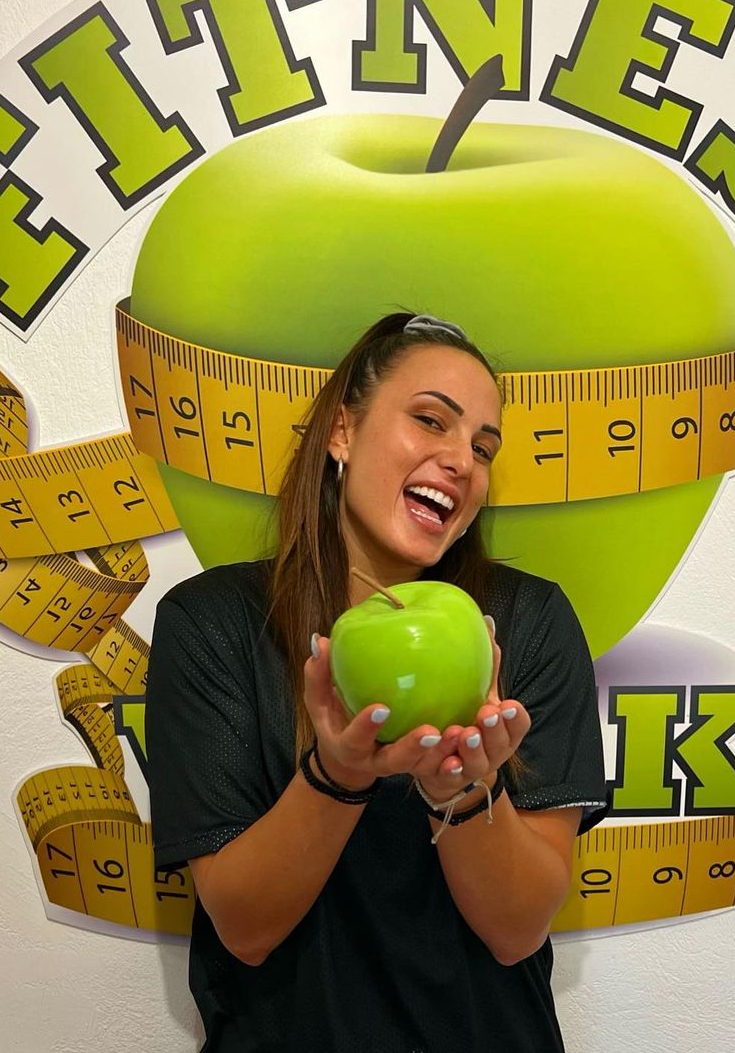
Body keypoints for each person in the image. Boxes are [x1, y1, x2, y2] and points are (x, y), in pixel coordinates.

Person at [147, 312, 608, 1052]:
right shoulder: (214, 624)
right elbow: (245, 929)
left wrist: (464, 789)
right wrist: (336, 775)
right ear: (342, 431)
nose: (461, 461)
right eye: (430, 420)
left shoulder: (527, 621)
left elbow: (517, 930)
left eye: (482, 448)